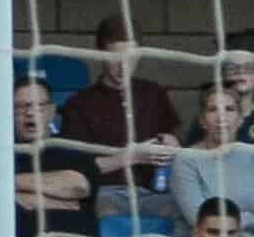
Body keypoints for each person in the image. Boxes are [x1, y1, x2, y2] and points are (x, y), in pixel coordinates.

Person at [55, 17, 182, 219]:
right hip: (103, 192)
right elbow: (77, 170)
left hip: (153, 191)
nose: (123, 67)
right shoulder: (79, 104)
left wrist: (171, 144)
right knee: (106, 213)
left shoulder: (153, 93)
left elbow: (173, 138)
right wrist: (134, 156)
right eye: (116, 59)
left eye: (131, 59)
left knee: (185, 210)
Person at [169, 85, 254, 237]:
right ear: (202, 120)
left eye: (229, 109)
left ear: (240, 119)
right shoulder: (186, 160)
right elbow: (199, 219)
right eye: (212, 110)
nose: (221, 117)